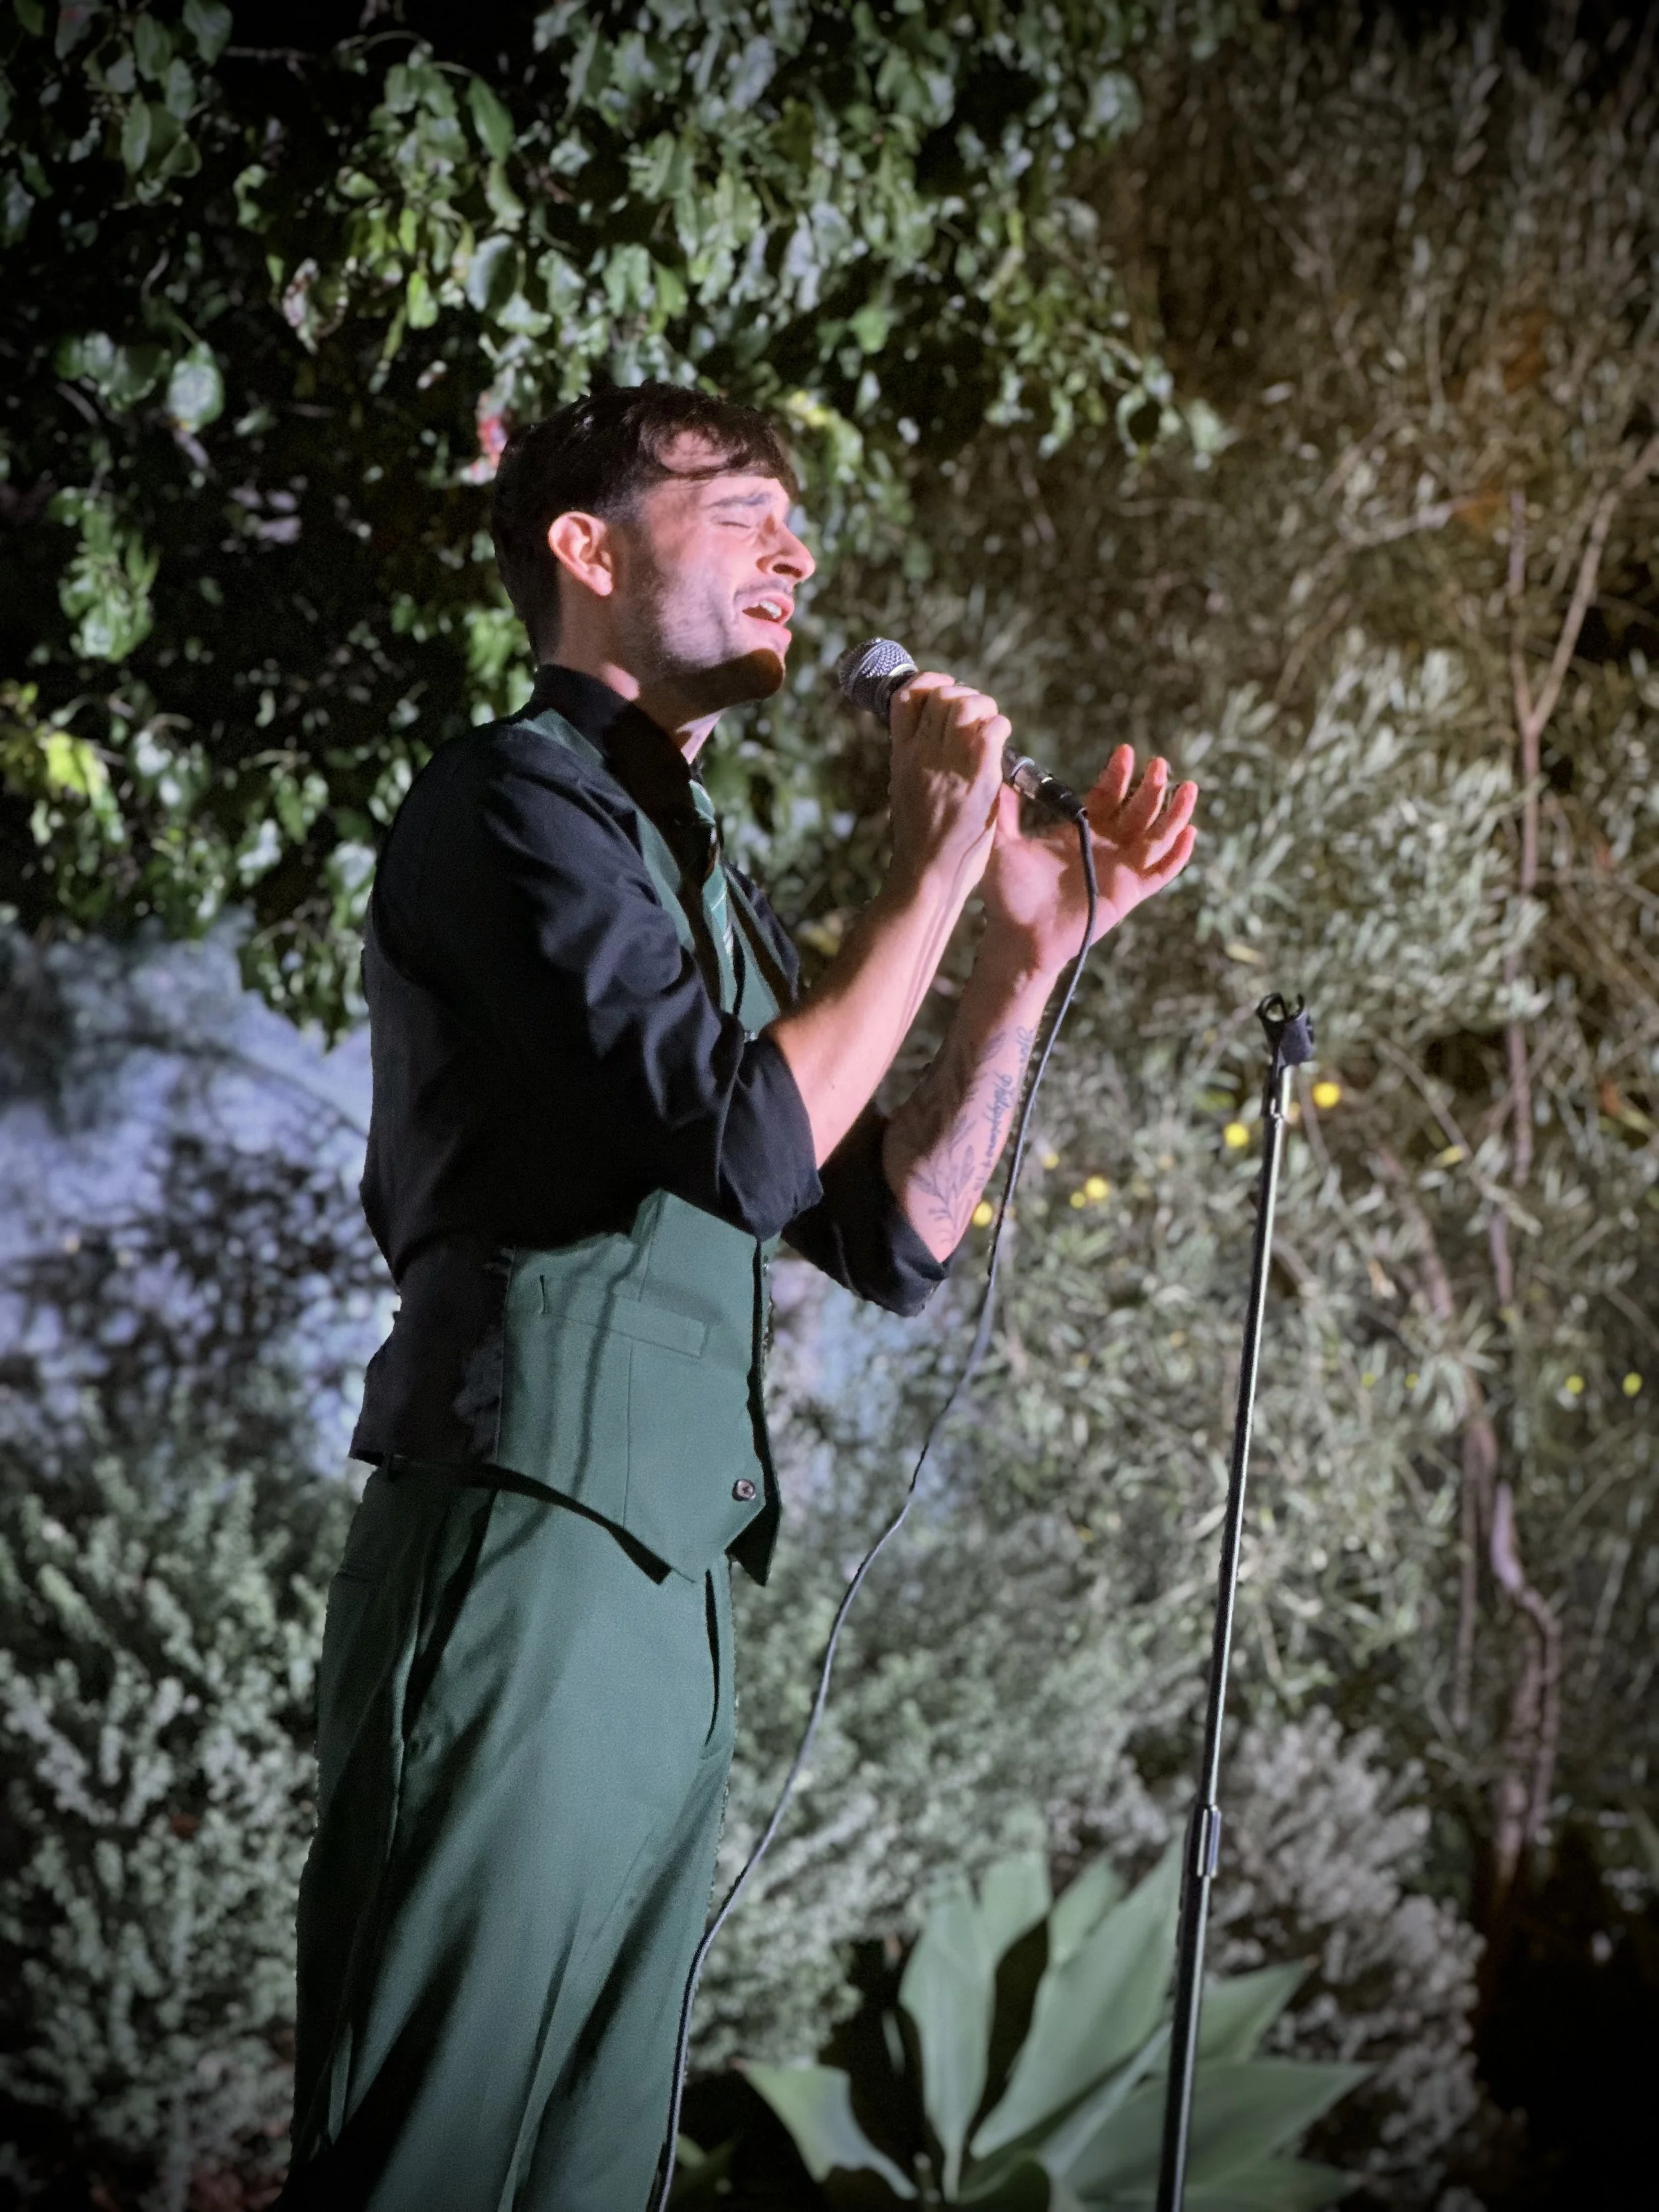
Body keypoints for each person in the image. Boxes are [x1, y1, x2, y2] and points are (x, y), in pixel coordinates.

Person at [280, 381, 1197, 2212]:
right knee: (436, 2152)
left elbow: (890, 1239)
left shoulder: (701, 868)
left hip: (678, 1582)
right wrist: (928, 865)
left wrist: (1015, 962)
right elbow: (747, 1143)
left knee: (584, 2173)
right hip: (525, 1535)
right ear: (585, 547)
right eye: (744, 507)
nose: (795, 548)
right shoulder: (511, 802)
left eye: (801, 520)